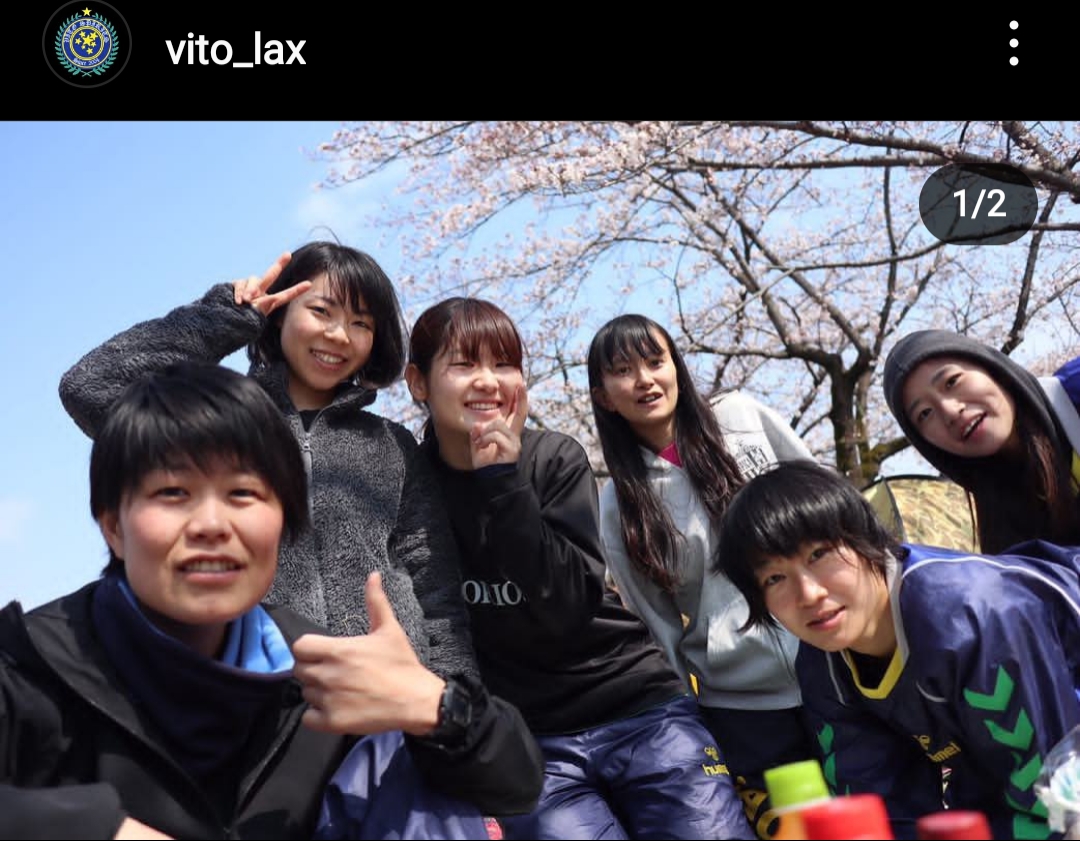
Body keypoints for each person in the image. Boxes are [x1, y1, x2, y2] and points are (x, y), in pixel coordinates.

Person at [1, 363, 543, 840]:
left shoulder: (318, 671)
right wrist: (94, 827)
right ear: (114, 527)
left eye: (243, 494)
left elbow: (516, 781)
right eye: (173, 493)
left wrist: (435, 705)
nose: (212, 525)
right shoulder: (31, 664)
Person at [403, 297, 755, 840]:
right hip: (532, 741)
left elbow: (566, 603)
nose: (488, 382)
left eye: (504, 364)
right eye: (464, 364)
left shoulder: (551, 459)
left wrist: (502, 481)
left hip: (639, 707)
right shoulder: (409, 486)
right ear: (417, 383)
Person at [58, 242, 476, 680]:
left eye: (361, 323)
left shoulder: (393, 444)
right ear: (280, 313)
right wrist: (223, 319)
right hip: (251, 687)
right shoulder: (221, 421)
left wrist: (455, 698)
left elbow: (436, 589)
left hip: (385, 689)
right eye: (321, 311)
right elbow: (91, 388)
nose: (339, 335)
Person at [714, 459, 1080, 841]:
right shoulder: (822, 664)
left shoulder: (973, 614)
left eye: (819, 555)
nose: (809, 594)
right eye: (775, 578)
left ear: (862, 537)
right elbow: (877, 812)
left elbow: (1061, 800)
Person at [586, 314, 817, 836]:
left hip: (830, 669)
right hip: (746, 708)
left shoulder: (741, 417)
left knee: (871, 814)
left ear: (676, 367)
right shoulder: (619, 503)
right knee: (802, 829)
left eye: (655, 361)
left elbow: (827, 500)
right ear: (603, 397)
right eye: (623, 371)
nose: (644, 379)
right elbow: (656, 623)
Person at [883, 328, 1080, 553]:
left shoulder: (1074, 389)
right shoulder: (1004, 528)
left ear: (992, 368)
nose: (950, 412)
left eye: (952, 381)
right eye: (925, 413)